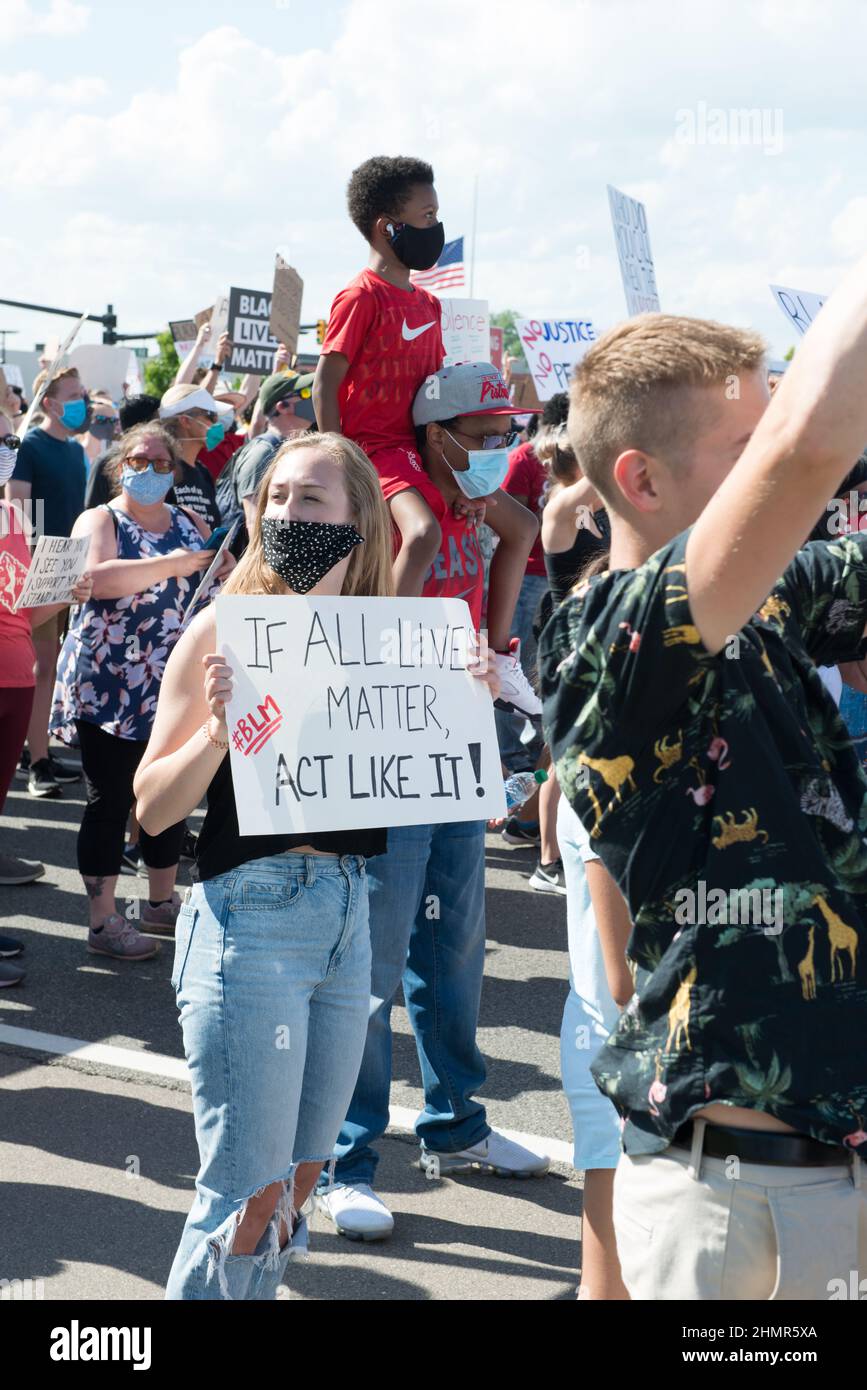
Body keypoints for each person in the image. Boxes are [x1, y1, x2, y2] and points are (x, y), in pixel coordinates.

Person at [539, 283, 867, 1301]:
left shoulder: (768, 607)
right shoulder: (607, 644)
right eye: (744, 447)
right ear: (639, 480)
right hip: (728, 1205)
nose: (781, 480)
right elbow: (810, 450)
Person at [133, 432, 463, 1299]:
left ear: (359, 519)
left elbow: (418, 788)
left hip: (347, 915)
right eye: (275, 497)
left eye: (310, 500)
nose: (287, 515)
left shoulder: (387, 639)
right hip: (250, 916)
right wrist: (216, 725)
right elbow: (155, 809)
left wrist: (455, 707)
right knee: (244, 1191)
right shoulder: (220, 628)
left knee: (301, 1180)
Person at [316, 362, 548, 1244]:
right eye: (485, 436)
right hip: (388, 732)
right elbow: (403, 551)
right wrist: (392, 660)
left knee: (452, 943)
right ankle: (345, 1158)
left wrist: (493, 651)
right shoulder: (394, 484)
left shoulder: (469, 496)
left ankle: (458, 1126)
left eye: (505, 435)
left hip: (453, 724)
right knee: (371, 960)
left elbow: (523, 528)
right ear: (437, 433)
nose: (501, 451)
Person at [49, 421, 225, 961]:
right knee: (111, 799)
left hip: (172, 685)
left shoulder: (192, 519)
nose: (150, 473)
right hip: (109, 685)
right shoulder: (100, 519)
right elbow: (98, 578)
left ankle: (159, 901)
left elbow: (220, 579)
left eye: (162, 464)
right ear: (119, 466)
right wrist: (176, 564)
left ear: (176, 470)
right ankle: (103, 922)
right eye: (139, 462)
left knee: (166, 800)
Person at [314, 155, 454, 594]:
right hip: (372, 453)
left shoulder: (430, 305)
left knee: (521, 523)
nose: (435, 227)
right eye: (427, 216)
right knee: (423, 534)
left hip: (420, 452)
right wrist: (339, 463)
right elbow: (325, 383)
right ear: (386, 227)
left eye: (436, 215)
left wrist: (460, 472)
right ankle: (383, 641)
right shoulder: (360, 296)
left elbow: (437, 395)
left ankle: (503, 652)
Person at [0, 418, 93, 983]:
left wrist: (63, 590)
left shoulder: (12, 519)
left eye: (10, 442)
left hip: (16, 679)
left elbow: (24, 614)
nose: (7, 452)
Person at [558, 794, 630, 1300]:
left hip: (624, 1048)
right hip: (617, 1051)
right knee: (607, 1289)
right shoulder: (604, 794)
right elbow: (625, 979)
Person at [6, 365, 88, 799]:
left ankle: (37, 749)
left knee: (49, 667)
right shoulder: (30, 445)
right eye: (74, 394)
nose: (83, 401)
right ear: (51, 402)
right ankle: (36, 762)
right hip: (37, 566)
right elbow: (16, 508)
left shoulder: (75, 450)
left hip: (65, 567)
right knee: (39, 669)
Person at [495, 394, 567, 775]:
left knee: (543, 661)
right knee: (515, 664)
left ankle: (541, 745)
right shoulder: (524, 458)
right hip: (526, 575)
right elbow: (512, 524)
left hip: (559, 577)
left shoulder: (581, 462)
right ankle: (507, 750)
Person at [217, 370, 315, 540]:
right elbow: (254, 523)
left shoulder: (293, 449)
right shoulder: (262, 453)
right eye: (306, 393)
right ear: (282, 406)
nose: (313, 398)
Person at [158, 384, 225, 531]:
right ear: (186, 420)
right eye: (211, 416)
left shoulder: (203, 472)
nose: (216, 423)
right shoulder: (161, 470)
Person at [83, 392, 161, 510]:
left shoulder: (163, 459)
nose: (162, 427)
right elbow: (92, 510)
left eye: (113, 421)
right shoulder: (105, 461)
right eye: (158, 420)